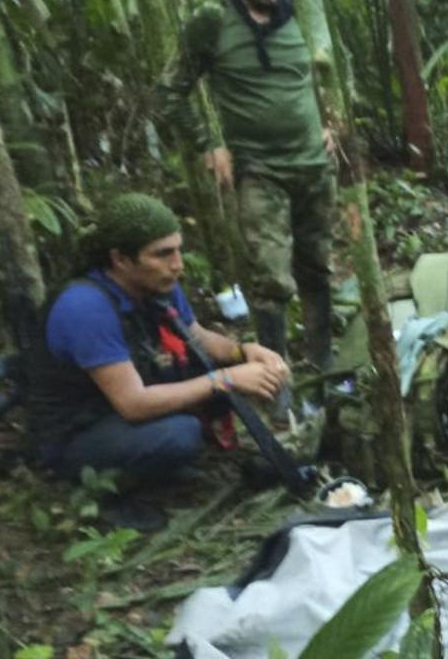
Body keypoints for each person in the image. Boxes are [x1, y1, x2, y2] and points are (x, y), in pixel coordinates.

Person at [26, 194, 290, 526]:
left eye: (178, 250)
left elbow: (196, 337)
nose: (177, 264)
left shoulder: (157, 283)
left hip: (127, 395)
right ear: (120, 259)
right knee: (180, 434)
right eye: (163, 254)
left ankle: (162, 461)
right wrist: (226, 380)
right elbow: (133, 404)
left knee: (215, 376)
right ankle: (107, 491)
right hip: (79, 430)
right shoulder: (85, 307)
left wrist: (243, 352)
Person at [159, 0, 336, 415]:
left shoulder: (300, 10)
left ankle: (325, 367)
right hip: (259, 169)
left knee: (318, 268)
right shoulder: (212, 22)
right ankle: (275, 385)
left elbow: (324, 72)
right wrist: (208, 147)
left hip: (314, 166)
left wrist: (330, 121)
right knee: (271, 281)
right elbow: (170, 91)